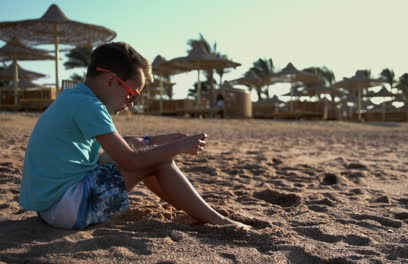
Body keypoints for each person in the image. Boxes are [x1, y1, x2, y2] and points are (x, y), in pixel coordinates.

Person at [20, 42, 248, 230]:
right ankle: (216, 220)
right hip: (68, 210)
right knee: (157, 161)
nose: (131, 103)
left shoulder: (74, 97)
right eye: (131, 95)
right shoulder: (90, 106)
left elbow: (121, 146)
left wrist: (155, 141)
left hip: (49, 207)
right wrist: (180, 146)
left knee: (142, 148)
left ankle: (190, 207)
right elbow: (130, 161)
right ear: (110, 80)